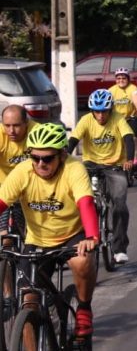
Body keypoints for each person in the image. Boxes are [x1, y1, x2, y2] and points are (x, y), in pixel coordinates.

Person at [0, 123, 99, 338]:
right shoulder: (23, 171)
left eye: (47, 158)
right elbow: (1, 202)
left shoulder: (74, 168)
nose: (40, 164)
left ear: (62, 155)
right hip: (37, 240)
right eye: (35, 158)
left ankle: (83, 307)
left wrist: (91, 236)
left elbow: (85, 203)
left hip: (72, 235)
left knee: (82, 261)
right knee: (29, 303)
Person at [68, 89, 134, 264]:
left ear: (110, 109)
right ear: (91, 111)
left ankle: (119, 248)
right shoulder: (86, 120)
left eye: (104, 111)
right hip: (90, 166)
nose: (100, 115)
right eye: (96, 111)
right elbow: (73, 140)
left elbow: (128, 137)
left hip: (114, 166)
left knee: (119, 206)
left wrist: (129, 159)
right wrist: (64, 159)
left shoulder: (118, 118)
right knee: (79, 203)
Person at [0, 105, 38, 236]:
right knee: (5, 234)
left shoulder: (36, 132)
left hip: (30, 184)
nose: (11, 131)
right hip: (4, 186)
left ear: (26, 122)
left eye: (16, 125)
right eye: (7, 125)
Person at [108, 67, 137, 178]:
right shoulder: (111, 90)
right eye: (118, 78)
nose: (121, 80)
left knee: (133, 138)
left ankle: (135, 163)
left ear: (128, 79)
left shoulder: (133, 89)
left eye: (123, 78)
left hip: (132, 118)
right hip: (117, 119)